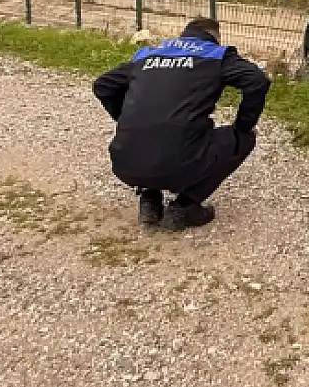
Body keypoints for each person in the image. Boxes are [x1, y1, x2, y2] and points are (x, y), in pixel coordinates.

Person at [92, 17, 270, 232]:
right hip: (180, 160)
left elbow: (102, 85)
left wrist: (126, 119)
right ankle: (186, 205)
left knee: (153, 134)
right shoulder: (215, 54)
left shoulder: (149, 54)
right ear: (215, 37)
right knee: (245, 137)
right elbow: (257, 80)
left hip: (125, 163)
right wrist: (244, 124)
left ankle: (149, 198)